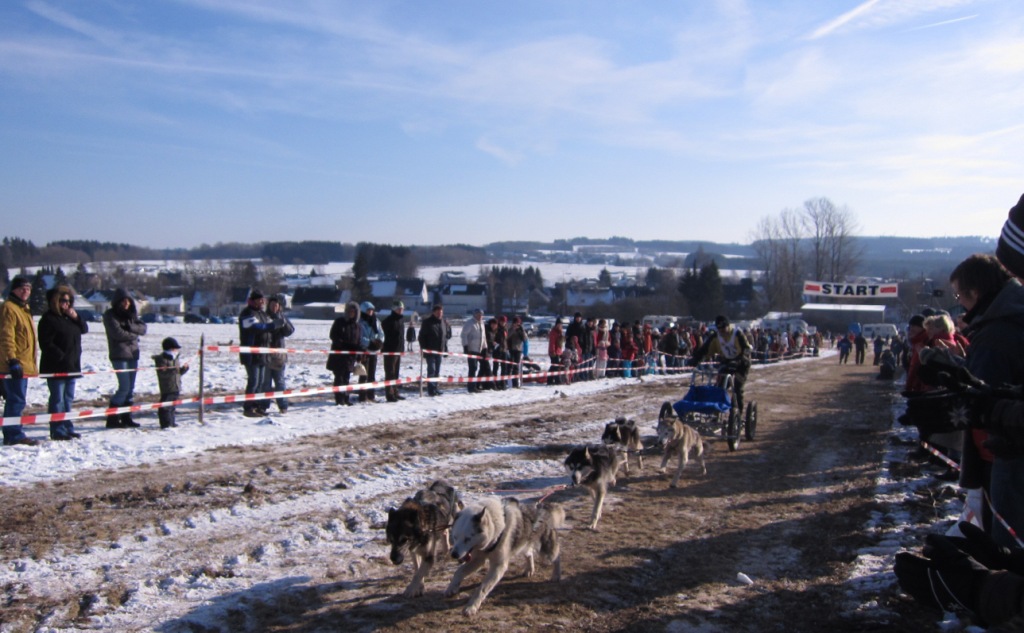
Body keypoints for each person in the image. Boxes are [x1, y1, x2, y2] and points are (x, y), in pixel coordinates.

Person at [950, 252, 1024, 548]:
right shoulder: (1009, 318)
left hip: (1005, 451)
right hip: (1007, 443)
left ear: (975, 293)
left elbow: (982, 394)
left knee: (1006, 541)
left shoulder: (997, 332)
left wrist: (956, 377)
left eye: (959, 295)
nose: (960, 303)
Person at [38, 284, 87, 440]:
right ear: (55, 301)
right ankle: (57, 429)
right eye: (63, 301)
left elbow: (84, 329)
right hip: (56, 366)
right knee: (57, 399)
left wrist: (76, 317)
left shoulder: (70, 318)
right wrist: (61, 356)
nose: (66, 304)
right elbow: (46, 343)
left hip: (72, 366)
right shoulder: (48, 319)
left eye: (68, 301)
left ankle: (67, 426)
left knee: (68, 399)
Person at [1, 276, 39, 446]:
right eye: (22, 288)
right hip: (13, 365)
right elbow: (6, 337)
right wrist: (12, 360)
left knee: (18, 399)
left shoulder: (24, 309)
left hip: (24, 363)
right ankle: (13, 434)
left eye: (28, 288)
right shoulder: (9, 308)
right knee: (16, 399)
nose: (25, 291)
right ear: (14, 289)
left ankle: (13, 431)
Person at [689, 315, 752, 415]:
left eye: (723, 328)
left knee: (737, 389)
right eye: (719, 328)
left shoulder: (737, 334)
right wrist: (696, 359)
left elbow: (746, 349)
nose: (721, 331)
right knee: (720, 387)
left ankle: (737, 413)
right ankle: (716, 411)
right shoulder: (715, 337)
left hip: (742, 364)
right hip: (727, 362)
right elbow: (705, 350)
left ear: (728, 325)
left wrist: (740, 360)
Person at [103, 288, 147, 428]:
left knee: (130, 388)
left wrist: (131, 327)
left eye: (128, 301)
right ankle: (112, 417)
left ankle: (126, 416)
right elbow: (118, 334)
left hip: (133, 354)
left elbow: (143, 328)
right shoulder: (110, 315)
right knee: (124, 387)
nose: (126, 304)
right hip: (119, 355)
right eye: (123, 301)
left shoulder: (132, 315)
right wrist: (134, 334)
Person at [238, 289, 276, 417]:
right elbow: (255, 327)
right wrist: (271, 326)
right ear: (254, 300)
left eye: (263, 300)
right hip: (251, 354)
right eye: (260, 300)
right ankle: (248, 407)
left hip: (263, 353)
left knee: (260, 383)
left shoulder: (263, 314)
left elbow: (270, 324)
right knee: (253, 382)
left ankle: (258, 406)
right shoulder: (247, 313)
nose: (263, 302)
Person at [262, 295, 294, 413]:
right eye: (272, 305)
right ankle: (264, 405)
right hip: (266, 354)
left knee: (280, 382)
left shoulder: (282, 317)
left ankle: (283, 405)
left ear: (279, 307)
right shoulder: (264, 317)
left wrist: (283, 321)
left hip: (279, 355)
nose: (274, 307)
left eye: (276, 305)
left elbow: (290, 331)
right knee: (266, 383)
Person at [327, 301, 363, 406]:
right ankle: (339, 399)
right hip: (338, 357)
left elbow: (358, 341)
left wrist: (359, 354)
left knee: (347, 378)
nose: (351, 313)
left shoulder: (357, 326)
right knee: (339, 378)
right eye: (349, 311)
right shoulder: (339, 322)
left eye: (353, 311)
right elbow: (333, 336)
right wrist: (345, 346)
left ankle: (346, 397)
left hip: (350, 358)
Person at [153, 337, 188, 429]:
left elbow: (178, 373)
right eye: (175, 348)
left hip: (176, 386)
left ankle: (172, 422)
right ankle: (166, 424)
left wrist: (184, 369)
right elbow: (163, 373)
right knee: (165, 406)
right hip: (167, 387)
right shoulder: (162, 359)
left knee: (172, 406)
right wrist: (175, 370)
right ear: (170, 348)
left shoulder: (174, 358)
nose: (176, 350)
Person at [418, 304, 450, 396]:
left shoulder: (443, 322)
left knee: (437, 371)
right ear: (433, 312)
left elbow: (445, 337)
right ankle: (431, 389)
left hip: (439, 351)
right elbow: (421, 337)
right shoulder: (427, 322)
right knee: (431, 370)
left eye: (441, 312)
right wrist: (424, 349)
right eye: (438, 312)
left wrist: (445, 350)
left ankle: (435, 388)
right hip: (430, 351)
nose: (439, 314)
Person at [358, 302, 385, 402]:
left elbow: (381, 334)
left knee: (372, 374)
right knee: (363, 374)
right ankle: (362, 395)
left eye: (372, 310)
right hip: (365, 350)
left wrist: (379, 342)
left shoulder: (376, 321)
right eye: (368, 310)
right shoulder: (360, 322)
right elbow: (360, 336)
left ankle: (371, 394)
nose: (370, 312)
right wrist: (368, 343)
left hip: (374, 351)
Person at [381, 300, 406, 402]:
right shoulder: (388, 321)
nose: (401, 311)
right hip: (389, 350)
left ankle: (395, 391)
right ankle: (389, 394)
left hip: (398, 350)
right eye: (399, 309)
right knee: (390, 372)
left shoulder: (401, 321)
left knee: (396, 373)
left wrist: (402, 349)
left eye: (402, 309)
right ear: (394, 309)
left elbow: (401, 337)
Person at [461, 308, 488, 393]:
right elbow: (464, 335)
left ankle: (477, 384)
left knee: (483, 366)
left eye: (481, 315)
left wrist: (485, 348)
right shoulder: (470, 323)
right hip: (471, 349)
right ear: (474, 315)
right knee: (473, 368)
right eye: (478, 314)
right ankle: (471, 387)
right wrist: (465, 346)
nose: (480, 316)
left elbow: (483, 337)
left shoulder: (482, 324)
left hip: (479, 349)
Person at [506, 316, 527, 388]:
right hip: (510, 349)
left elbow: (525, 339)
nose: (516, 325)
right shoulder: (510, 329)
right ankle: (507, 382)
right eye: (515, 323)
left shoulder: (521, 330)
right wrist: (513, 330)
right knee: (509, 366)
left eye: (518, 323)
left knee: (516, 367)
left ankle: (515, 383)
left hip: (518, 349)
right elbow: (507, 337)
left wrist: (522, 330)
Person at [547, 320, 565, 385]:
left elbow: (560, 343)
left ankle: (551, 380)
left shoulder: (560, 332)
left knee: (555, 366)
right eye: (559, 324)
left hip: (558, 351)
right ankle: (555, 380)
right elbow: (552, 343)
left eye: (561, 325)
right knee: (555, 366)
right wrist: (553, 351)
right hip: (553, 352)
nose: (560, 326)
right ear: (556, 325)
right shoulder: (553, 332)